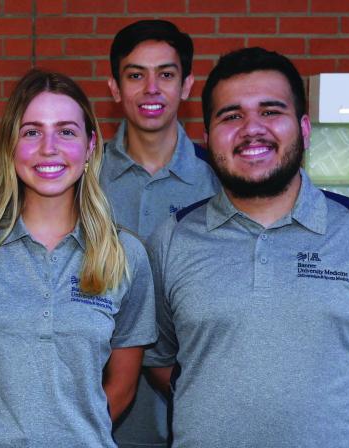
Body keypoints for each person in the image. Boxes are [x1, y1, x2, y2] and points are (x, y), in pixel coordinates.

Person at [144, 47, 349, 447]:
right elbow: (159, 359)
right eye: (232, 115)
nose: (251, 128)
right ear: (207, 138)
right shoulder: (172, 239)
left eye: (271, 111)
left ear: (305, 129)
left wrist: (324, 412)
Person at [0, 69, 156, 447]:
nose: (48, 148)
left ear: (89, 147)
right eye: (32, 131)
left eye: (66, 132)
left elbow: (123, 385)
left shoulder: (124, 254)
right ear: (10, 146)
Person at [101, 19, 219, 447]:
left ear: (186, 84)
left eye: (165, 74)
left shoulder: (222, 181)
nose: (151, 89)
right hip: (103, 416)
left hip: (202, 415)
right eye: (136, 75)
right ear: (115, 87)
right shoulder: (79, 181)